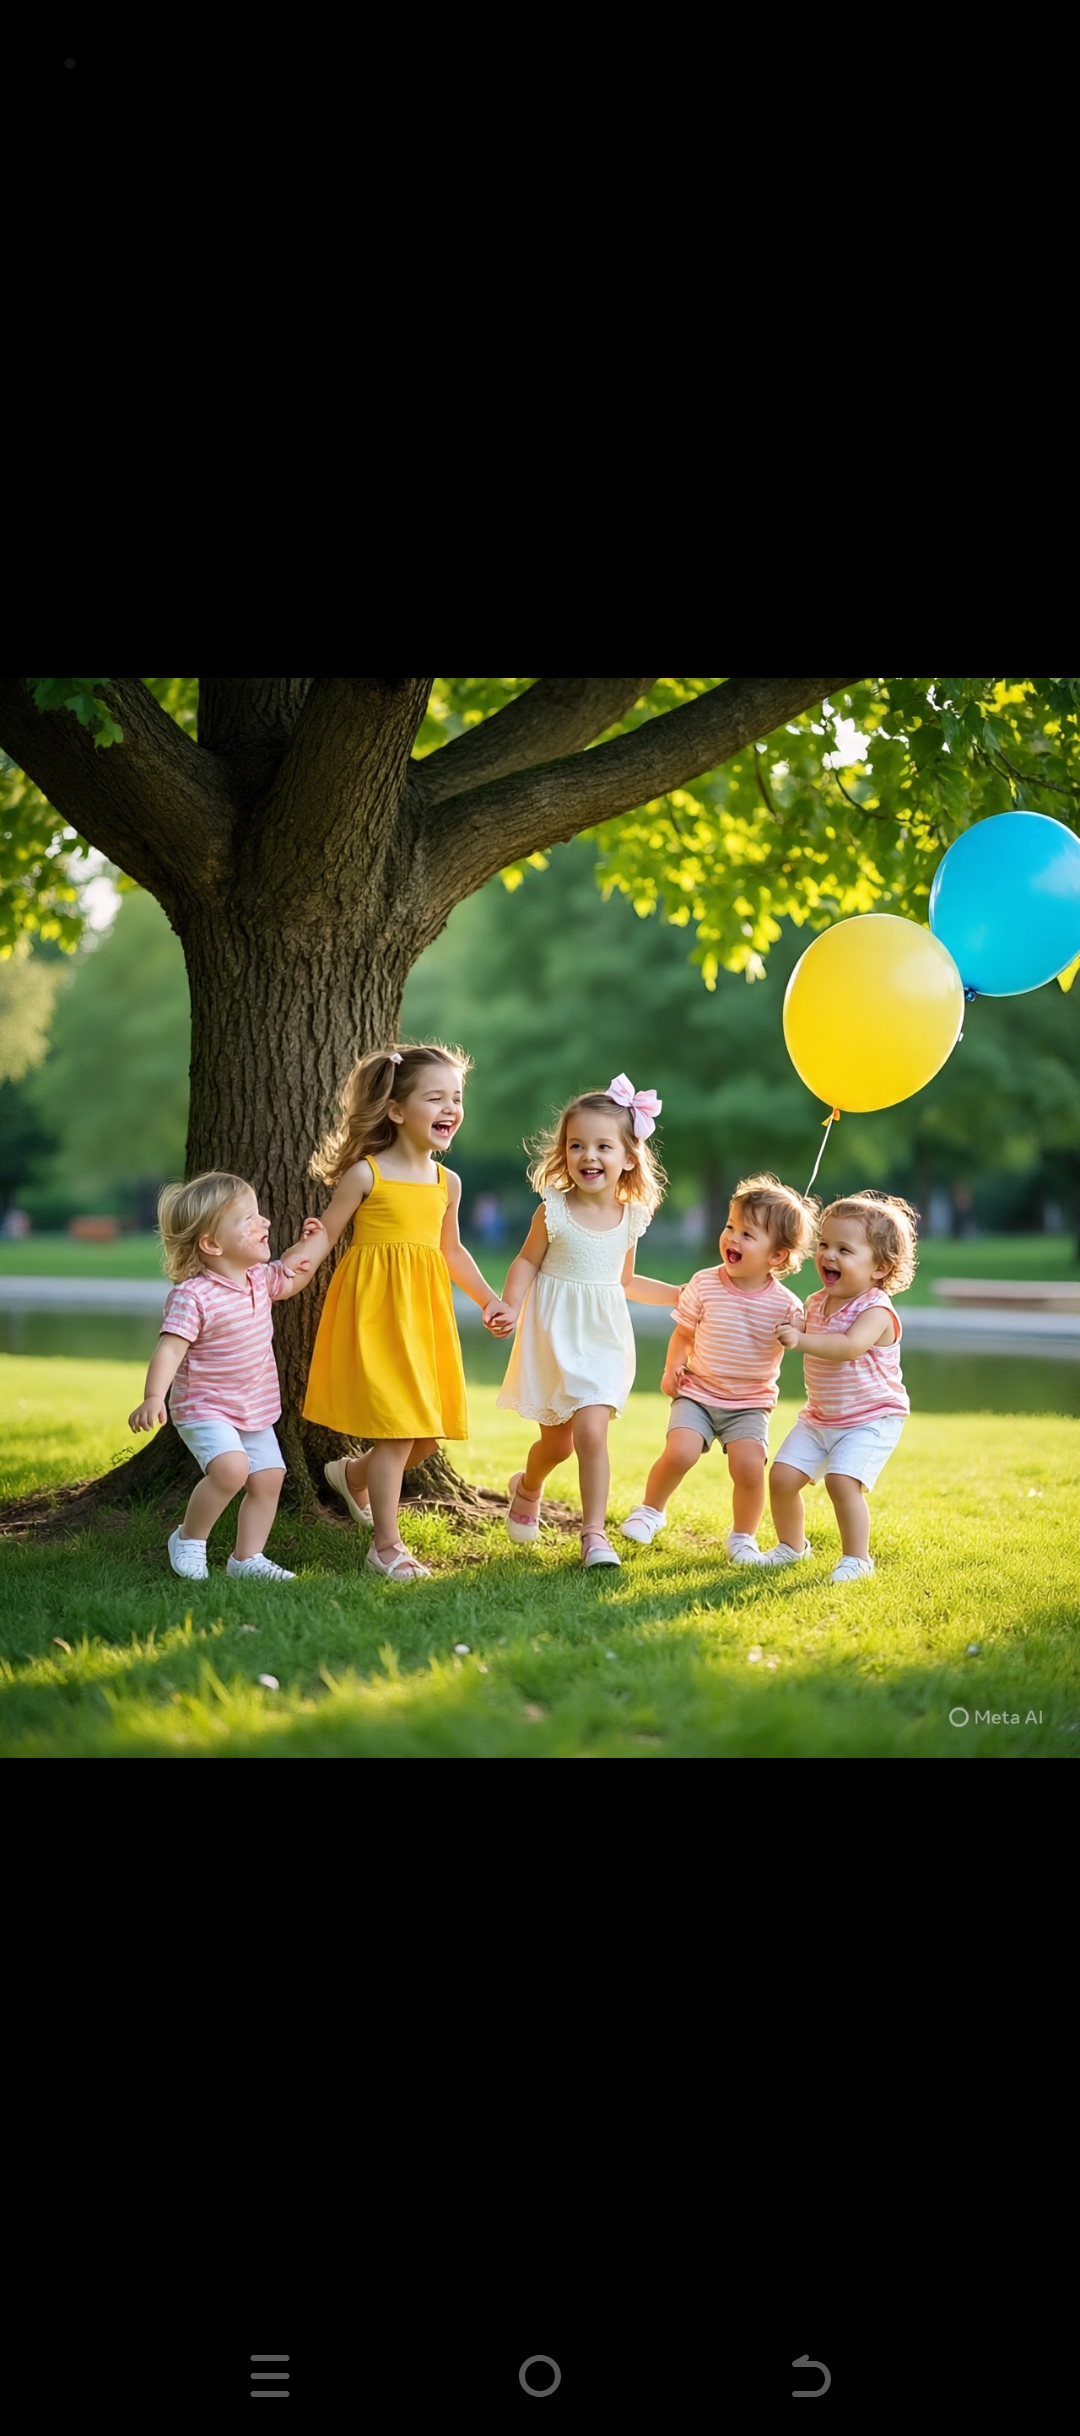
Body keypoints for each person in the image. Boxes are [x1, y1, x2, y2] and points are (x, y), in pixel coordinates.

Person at [300, 1044, 512, 1583]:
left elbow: (453, 1251)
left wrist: (489, 1299)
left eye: (457, 1098)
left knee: (423, 1439)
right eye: (435, 1097)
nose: (450, 1108)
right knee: (397, 1432)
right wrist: (291, 1269)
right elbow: (326, 1232)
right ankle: (386, 1546)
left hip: (424, 1315)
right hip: (374, 1312)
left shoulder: (448, 1183)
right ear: (396, 1110)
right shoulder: (366, 1174)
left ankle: (351, 1476)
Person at [495, 1075, 678, 1568]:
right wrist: (510, 1305)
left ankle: (593, 1534)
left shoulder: (632, 1217)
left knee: (591, 1433)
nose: (588, 1156)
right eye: (577, 1145)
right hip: (552, 1337)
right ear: (563, 1152)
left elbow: (626, 1281)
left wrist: (680, 1296)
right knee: (554, 1446)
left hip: (603, 1339)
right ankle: (527, 1487)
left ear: (629, 1157)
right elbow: (526, 1263)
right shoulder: (552, 1210)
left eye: (602, 1146)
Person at [128, 1172, 320, 1582]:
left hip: (254, 1405)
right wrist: (152, 1397)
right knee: (231, 1470)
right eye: (248, 1219)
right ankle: (188, 1538)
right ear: (212, 1244)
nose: (264, 1222)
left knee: (270, 1477)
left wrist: (312, 1242)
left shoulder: (259, 1279)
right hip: (205, 1407)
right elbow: (169, 1349)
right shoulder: (193, 1296)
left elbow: (295, 1272)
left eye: (259, 1215)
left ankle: (246, 1559)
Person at [620, 1174, 815, 1563]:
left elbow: (806, 1340)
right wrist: (672, 1367)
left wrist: (799, 1332)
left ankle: (743, 1537)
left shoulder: (786, 1306)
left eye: (748, 1234)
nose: (732, 1238)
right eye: (730, 1227)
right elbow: (683, 1333)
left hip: (749, 1403)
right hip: (698, 1391)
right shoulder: (704, 1284)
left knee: (749, 1469)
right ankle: (650, 1511)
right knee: (680, 1452)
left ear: (776, 1256)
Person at [766, 1192, 916, 1583]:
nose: (828, 1255)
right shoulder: (816, 1301)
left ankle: (857, 1559)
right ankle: (791, 1547)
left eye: (844, 1249)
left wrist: (801, 1341)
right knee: (781, 1477)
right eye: (824, 1245)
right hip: (821, 1416)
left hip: (871, 1418)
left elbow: (848, 1347)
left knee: (841, 1481)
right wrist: (792, 1327)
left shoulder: (876, 1310)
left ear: (879, 1267)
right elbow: (802, 1326)